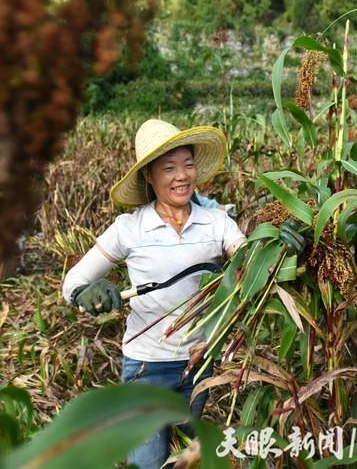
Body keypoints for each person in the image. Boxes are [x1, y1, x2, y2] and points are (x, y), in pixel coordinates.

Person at [62, 118, 246, 469]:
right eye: (169, 168)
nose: (182, 176)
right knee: (148, 462)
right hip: (146, 368)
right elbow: (72, 281)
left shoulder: (217, 222)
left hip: (199, 363)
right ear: (148, 176)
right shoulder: (130, 228)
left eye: (188, 165)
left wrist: (273, 246)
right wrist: (86, 292)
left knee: (198, 458)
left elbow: (248, 260)